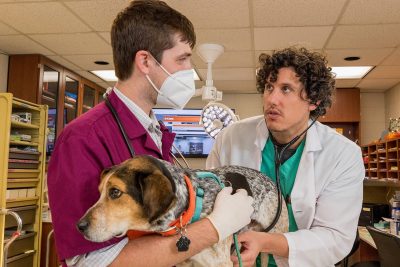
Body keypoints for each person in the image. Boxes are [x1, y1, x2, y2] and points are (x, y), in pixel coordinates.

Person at [47, 1, 254, 266]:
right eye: (182, 59)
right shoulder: (82, 139)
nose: (189, 72)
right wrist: (214, 228)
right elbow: (92, 262)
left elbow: (165, 234)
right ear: (145, 61)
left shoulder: (154, 133)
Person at [206, 47, 365, 267]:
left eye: (286, 89)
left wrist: (266, 242)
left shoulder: (342, 154)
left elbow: (336, 237)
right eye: (269, 87)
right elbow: (209, 203)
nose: (272, 99)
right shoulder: (230, 138)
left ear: (314, 101)